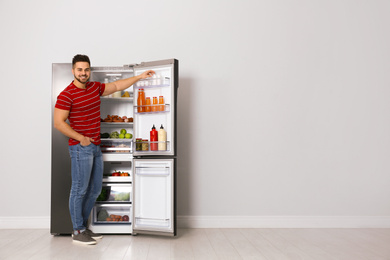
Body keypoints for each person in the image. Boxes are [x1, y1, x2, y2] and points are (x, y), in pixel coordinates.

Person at [54, 54, 155, 245]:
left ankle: (83, 228)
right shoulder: (66, 94)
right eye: (79, 70)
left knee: (94, 190)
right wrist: (81, 138)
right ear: (73, 71)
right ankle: (77, 230)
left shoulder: (94, 88)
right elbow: (58, 123)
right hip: (80, 148)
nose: (83, 73)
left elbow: (117, 86)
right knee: (79, 190)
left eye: (86, 69)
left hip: (96, 147)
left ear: (89, 70)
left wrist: (139, 77)